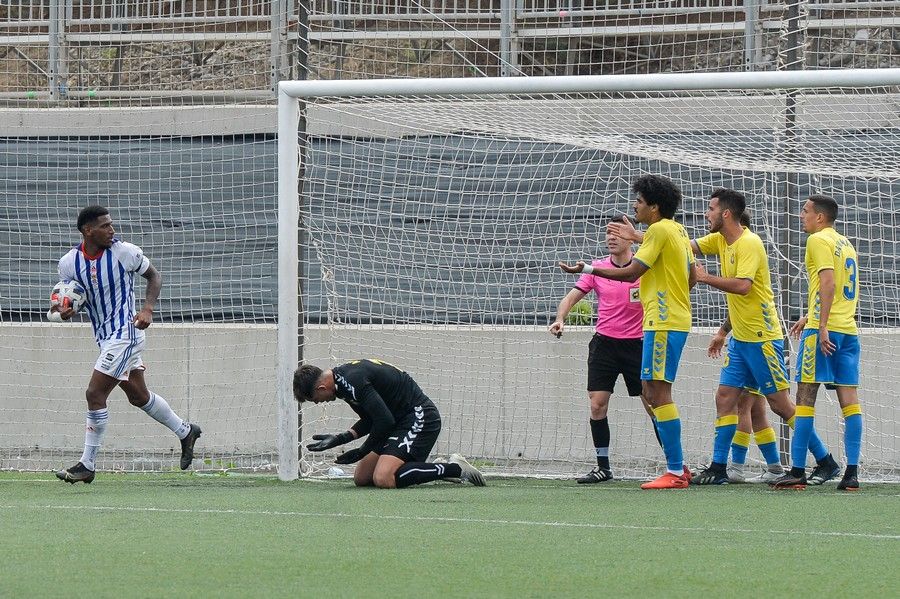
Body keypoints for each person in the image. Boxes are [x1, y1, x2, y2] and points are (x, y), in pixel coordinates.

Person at [688, 189, 838, 485]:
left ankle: (825, 460)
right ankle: (720, 467)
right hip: (741, 340)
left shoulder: (750, 243)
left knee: (778, 405)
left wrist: (704, 278)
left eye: (710, 209)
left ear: (726, 214)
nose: (706, 215)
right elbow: (685, 245)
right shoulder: (719, 240)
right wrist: (640, 237)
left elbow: (744, 287)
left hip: (763, 338)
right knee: (725, 397)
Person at [560, 174, 695, 490]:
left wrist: (589, 269)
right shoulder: (676, 230)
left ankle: (675, 471)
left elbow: (632, 272)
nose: (635, 205)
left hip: (661, 323)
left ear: (654, 206)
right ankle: (677, 468)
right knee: (650, 392)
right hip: (667, 321)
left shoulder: (660, 230)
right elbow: (691, 276)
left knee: (657, 394)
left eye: (639, 201)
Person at [52, 206, 201, 484]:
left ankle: (87, 464)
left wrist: (147, 309)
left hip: (126, 333)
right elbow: (68, 297)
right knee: (138, 396)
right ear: (88, 231)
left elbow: (154, 276)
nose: (112, 230)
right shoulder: (69, 262)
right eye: (105, 226)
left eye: (111, 224)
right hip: (105, 337)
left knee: (94, 393)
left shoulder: (124, 252)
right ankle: (185, 431)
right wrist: (66, 309)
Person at [549, 220, 661, 484]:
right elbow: (570, 297)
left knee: (655, 405)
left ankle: (674, 464)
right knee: (597, 404)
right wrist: (560, 318)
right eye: (608, 234)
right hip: (604, 346)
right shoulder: (596, 268)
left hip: (638, 344)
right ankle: (603, 467)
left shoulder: (644, 268)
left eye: (617, 234)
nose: (611, 239)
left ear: (631, 238)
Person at [772, 195, 862, 491]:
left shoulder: (817, 241)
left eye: (805, 211)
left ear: (820, 217)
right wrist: (810, 315)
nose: (801, 215)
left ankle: (797, 470)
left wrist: (820, 325)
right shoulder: (844, 243)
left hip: (825, 332)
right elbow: (837, 288)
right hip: (848, 331)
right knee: (850, 404)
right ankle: (851, 475)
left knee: (804, 398)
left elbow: (828, 283)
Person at [294, 359, 485, 488]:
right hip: (398, 422)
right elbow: (371, 419)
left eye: (315, 399)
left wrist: (362, 450)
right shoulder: (342, 384)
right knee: (362, 478)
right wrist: (340, 439)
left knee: (383, 478)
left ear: (320, 387)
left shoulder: (353, 382)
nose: (319, 403)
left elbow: (384, 421)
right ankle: (435, 469)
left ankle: (456, 468)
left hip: (419, 417)